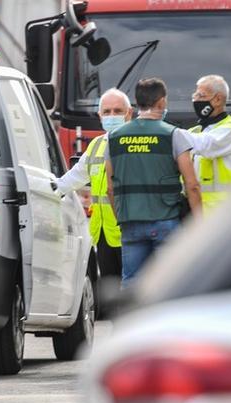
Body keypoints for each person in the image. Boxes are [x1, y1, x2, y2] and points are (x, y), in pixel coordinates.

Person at [105, 78, 201, 286]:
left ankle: (130, 319)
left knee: (131, 282)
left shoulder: (113, 138)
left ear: (137, 103)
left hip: (130, 222)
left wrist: (121, 219)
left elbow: (110, 188)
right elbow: (192, 185)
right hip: (166, 220)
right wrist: (200, 222)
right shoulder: (173, 135)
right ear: (162, 102)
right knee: (172, 282)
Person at [56, 88, 132, 282]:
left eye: (117, 111)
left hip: (129, 232)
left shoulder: (135, 142)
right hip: (103, 233)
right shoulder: (97, 145)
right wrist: (48, 190)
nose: (112, 116)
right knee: (109, 291)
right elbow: (74, 178)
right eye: (107, 112)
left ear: (129, 113)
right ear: (99, 115)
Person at [185, 74, 231, 212]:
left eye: (201, 96)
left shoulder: (230, 129)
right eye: (195, 95)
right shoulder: (197, 130)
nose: (196, 100)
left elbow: (205, 145)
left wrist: (169, 132)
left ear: (217, 99)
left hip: (223, 213)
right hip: (199, 212)